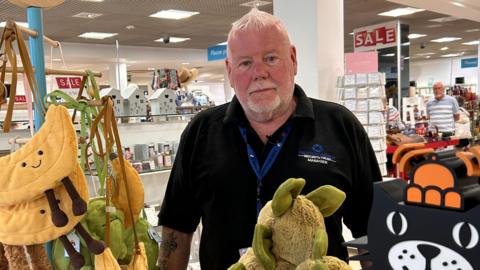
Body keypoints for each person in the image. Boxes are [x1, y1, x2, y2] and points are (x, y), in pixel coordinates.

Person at [157, 8, 381, 270]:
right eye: (245, 63)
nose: (259, 72)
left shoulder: (340, 125)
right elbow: (177, 228)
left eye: (271, 58)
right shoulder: (202, 131)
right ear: (230, 70)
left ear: (293, 59)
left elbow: (372, 229)